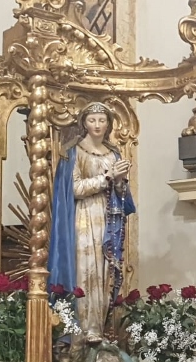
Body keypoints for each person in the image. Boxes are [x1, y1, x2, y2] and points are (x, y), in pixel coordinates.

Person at [49, 102, 136, 345]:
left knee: (105, 271)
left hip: (108, 220)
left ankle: (98, 325)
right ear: (84, 123)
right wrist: (107, 177)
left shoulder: (113, 153)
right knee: (86, 270)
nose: (97, 125)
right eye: (92, 120)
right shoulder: (73, 152)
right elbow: (74, 188)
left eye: (102, 120)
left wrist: (120, 182)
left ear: (109, 124)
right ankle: (83, 329)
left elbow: (122, 195)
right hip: (83, 218)